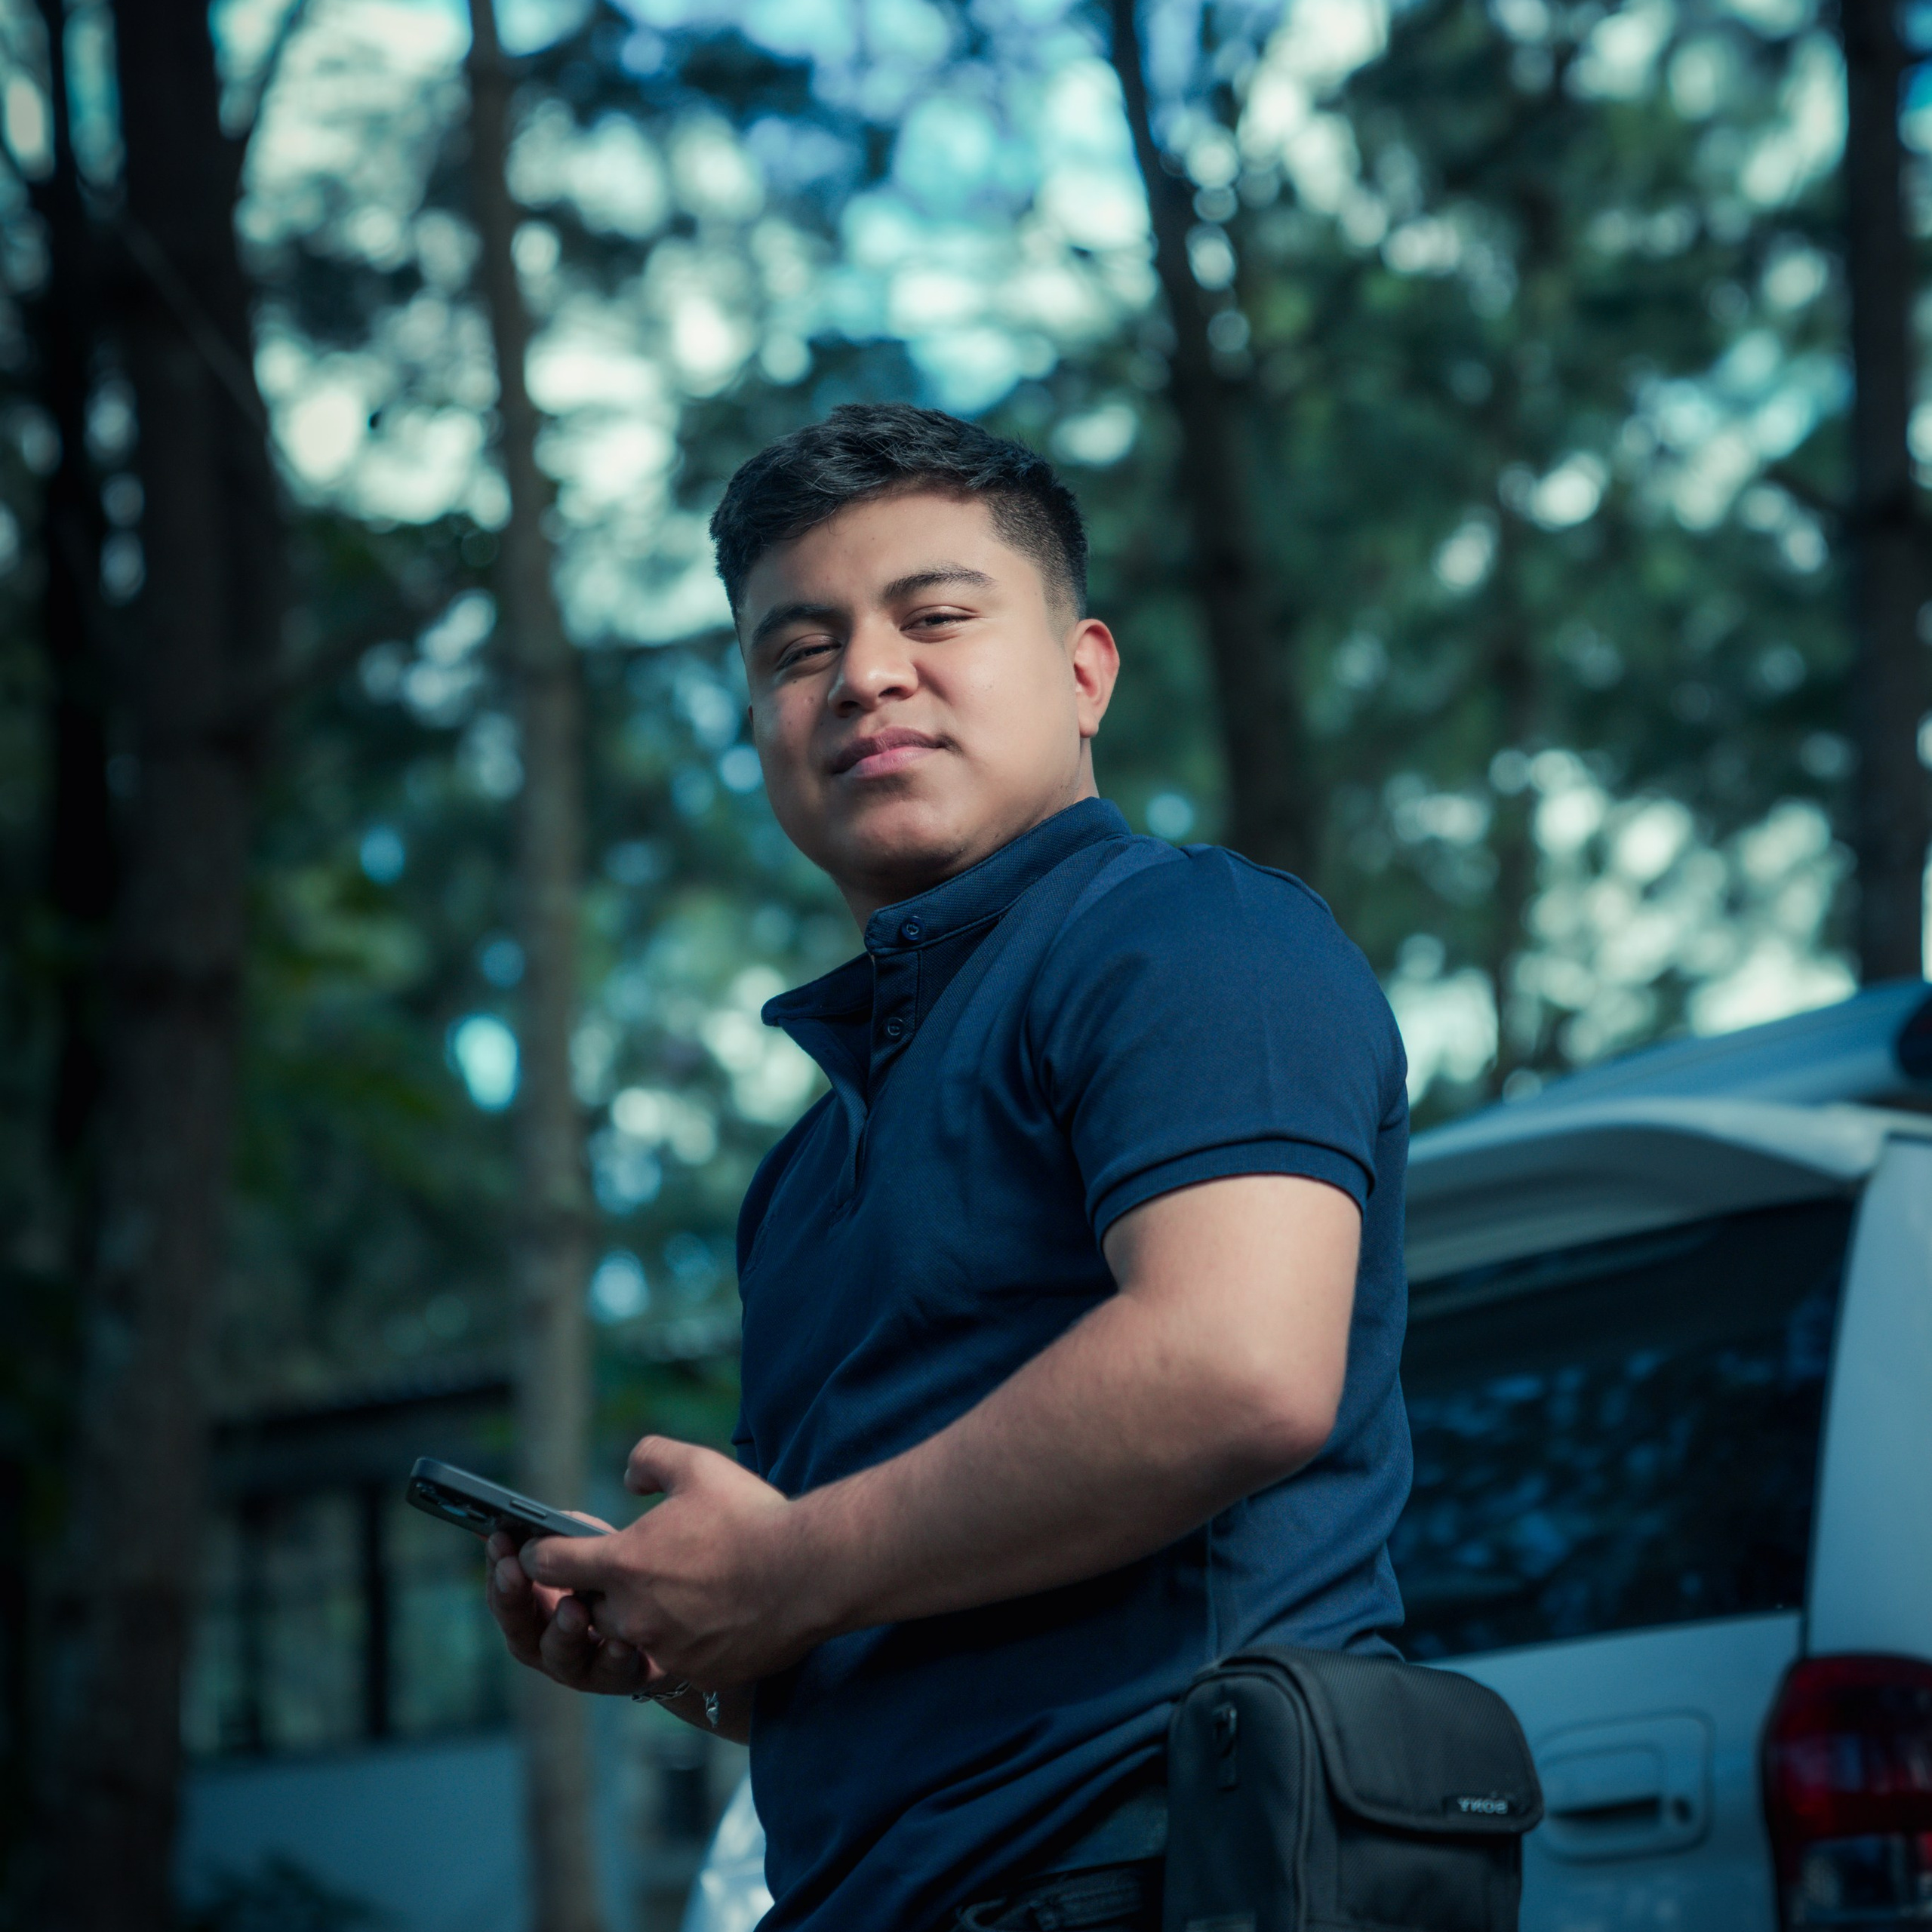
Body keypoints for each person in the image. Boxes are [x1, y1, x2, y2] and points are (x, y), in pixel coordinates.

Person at [485, 403, 1411, 1932]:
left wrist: (785, 1566)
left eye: (933, 615)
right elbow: (866, 1616)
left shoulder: (1190, 934)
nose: (862, 673)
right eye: (797, 650)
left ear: (1083, 668)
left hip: (1152, 1872)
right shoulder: (799, 1177)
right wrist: (686, 1637)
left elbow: (1238, 1360)